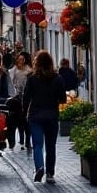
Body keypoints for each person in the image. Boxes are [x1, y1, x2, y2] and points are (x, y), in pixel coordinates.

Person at [23, 49, 67, 184]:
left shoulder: (31, 79)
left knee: (37, 144)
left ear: (36, 63)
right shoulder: (57, 78)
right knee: (50, 146)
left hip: (35, 116)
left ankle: (39, 167)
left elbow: (26, 98)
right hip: (52, 116)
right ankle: (49, 174)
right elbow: (63, 99)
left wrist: (25, 112)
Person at [8, 50, 33, 152]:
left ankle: (27, 141)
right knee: (14, 119)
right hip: (16, 97)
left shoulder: (28, 70)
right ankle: (13, 141)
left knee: (26, 120)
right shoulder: (13, 70)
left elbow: (31, 78)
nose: (21, 61)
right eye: (19, 60)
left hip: (26, 95)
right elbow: (10, 81)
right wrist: (14, 92)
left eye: (23, 60)